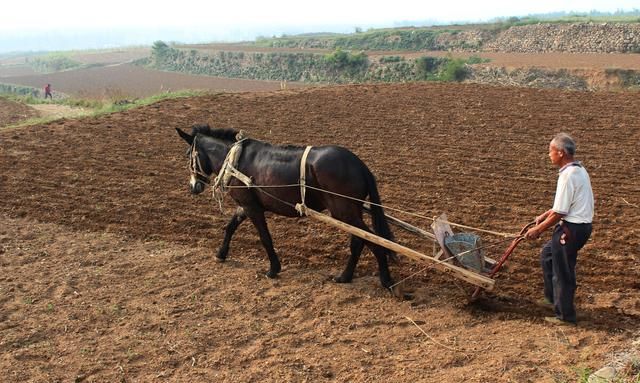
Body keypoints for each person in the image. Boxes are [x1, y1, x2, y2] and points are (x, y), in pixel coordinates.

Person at [525, 133, 594, 325]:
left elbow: (561, 212)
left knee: (562, 271)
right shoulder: (578, 170)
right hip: (579, 227)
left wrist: (538, 230)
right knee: (547, 255)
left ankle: (565, 316)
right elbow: (562, 206)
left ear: (561, 153)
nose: (549, 155)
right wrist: (544, 215)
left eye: (551, 151)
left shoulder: (567, 176)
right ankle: (550, 299)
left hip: (571, 229)